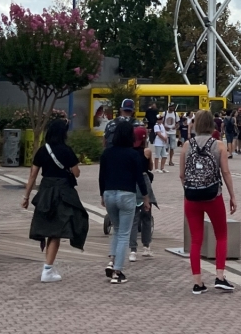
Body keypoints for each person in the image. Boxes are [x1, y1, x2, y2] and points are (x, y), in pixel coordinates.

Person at [22, 119, 89, 282]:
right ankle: (47, 269)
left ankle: (49, 267)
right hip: (62, 192)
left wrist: (26, 196)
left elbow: (33, 175)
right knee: (56, 232)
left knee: (50, 229)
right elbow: (77, 173)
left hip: (45, 192)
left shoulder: (42, 150)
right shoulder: (67, 150)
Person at [181, 109, 237, 293]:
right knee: (221, 235)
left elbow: (182, 174)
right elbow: (225, 172)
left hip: (191, 197)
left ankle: (197, 282)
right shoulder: (219, 145)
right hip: (213, 195)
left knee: (196, 240)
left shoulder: (187, 145)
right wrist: (232, 195)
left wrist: (190, 189)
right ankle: (220, 276)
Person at [99, 121, 150, 284]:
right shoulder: (133, 154)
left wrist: (102, 194)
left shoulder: (107, 153)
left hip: (109, 193)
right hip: (127, 194)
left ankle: (112, 260)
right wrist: (146, 197)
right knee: (124, 234)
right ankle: (117, 271)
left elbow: (101, 176)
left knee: (116, 229)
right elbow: (139, 178)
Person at [128, 125, 156, 261]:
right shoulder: (147, 151)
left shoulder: (128, 151)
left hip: (131, 183)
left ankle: (133, 250)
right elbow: (150, 167)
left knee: (133, 219)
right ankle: (146, 247)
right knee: (146, 216)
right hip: (144, 182)